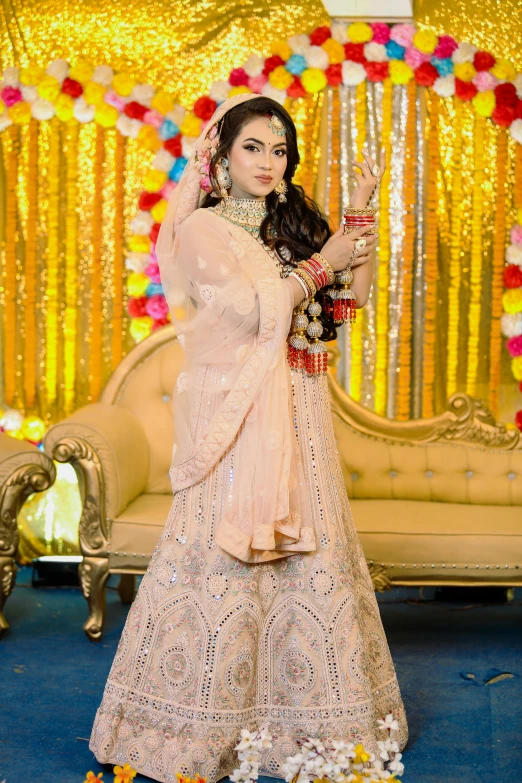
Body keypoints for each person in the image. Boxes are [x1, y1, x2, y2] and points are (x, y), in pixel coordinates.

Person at [89, 93, 408, 782]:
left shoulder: (290, 225)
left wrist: (357, 216)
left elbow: (343, 306)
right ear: (221, 158)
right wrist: (321, 263)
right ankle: (194, 716)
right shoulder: (204, 231)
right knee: (223, 554)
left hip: (298, 407)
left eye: (280, 149)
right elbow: (240, 310)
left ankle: (305, 714)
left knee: (306, 552)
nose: (269, 161)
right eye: (254, 147)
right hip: (238, 413)